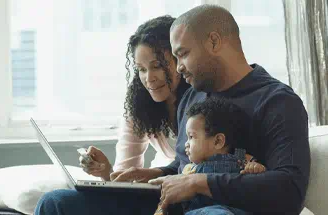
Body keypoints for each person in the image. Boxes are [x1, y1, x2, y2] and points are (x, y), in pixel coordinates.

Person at [35, 4, 310, 215]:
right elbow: (185, 166)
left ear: (214, 42)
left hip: (220, 209)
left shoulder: (277, 102)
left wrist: (200, 183)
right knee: (56, 203)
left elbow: (289, 189)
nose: (177, 67)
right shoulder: (192, 97)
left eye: (183, 54)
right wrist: (156, 174)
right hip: (170, 205)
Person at [79, 15, 190, 182]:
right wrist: (106, 171)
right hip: (155, 186)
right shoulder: (140, 105)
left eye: (157, 66)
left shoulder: (200, 99)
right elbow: (124, 175)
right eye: (142, 69)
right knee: (55, 199)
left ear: (179, 59)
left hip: (177, 184)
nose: (149, 78)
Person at [154, 97, 266, 215]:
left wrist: (255, 167)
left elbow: (258, 173)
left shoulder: (240, 157)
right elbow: (169, 199)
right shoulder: (189, 170)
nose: (186, 144)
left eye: (191, 137)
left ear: (218, 141)